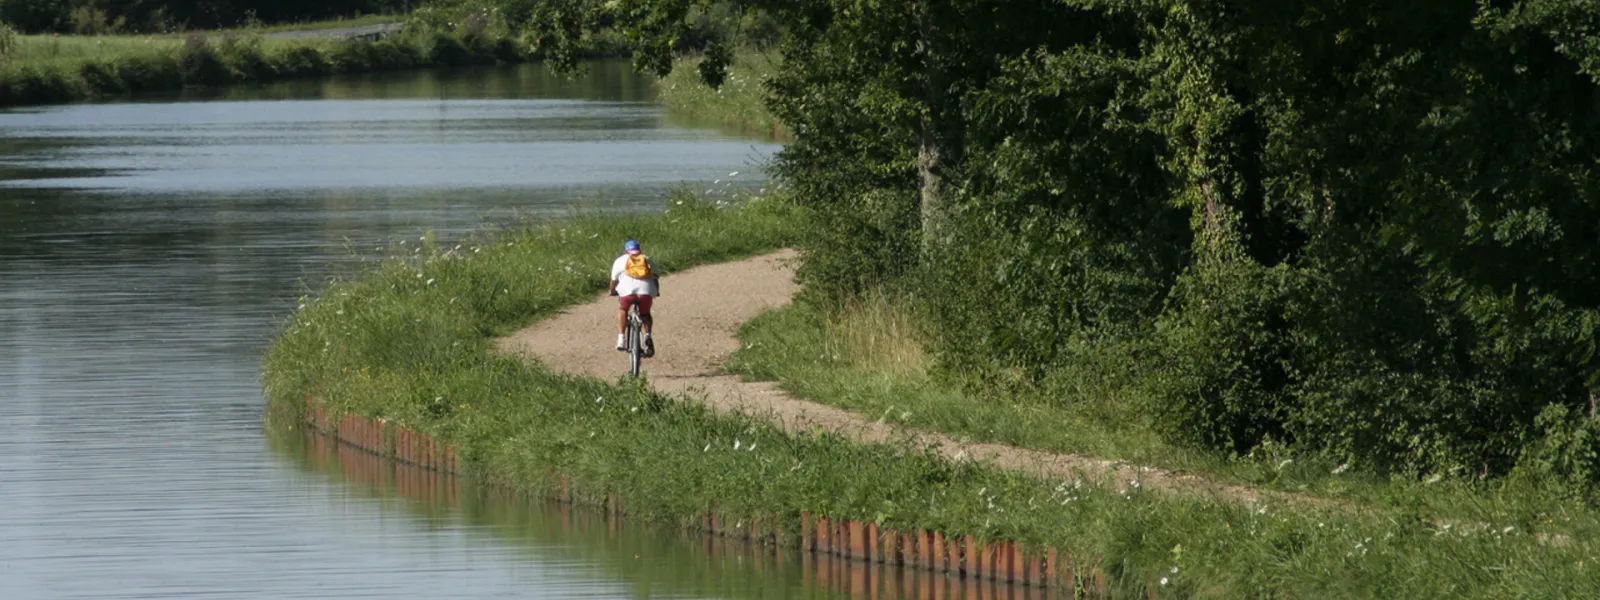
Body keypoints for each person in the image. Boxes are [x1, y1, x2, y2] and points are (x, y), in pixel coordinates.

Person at [608, 239, 659, 356]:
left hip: (627, 293)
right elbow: (656, 277)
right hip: (646, 292)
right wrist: (656, 291)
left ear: (626, 251)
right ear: (639, 250)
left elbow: (613, 281)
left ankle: (621, 338)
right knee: (645, 314)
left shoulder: (619, 261)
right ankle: (647, 336)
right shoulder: (646, 258)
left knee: (623, 310)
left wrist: (612, 291)